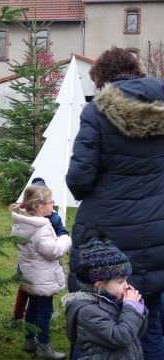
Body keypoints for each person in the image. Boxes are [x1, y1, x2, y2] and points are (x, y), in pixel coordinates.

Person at [66, 47, 164, 359]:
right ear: (136, 71)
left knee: (94, 317)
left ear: (101, 78)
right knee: (152, 322)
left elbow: (79, 179)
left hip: (107, 236)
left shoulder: (96, 112)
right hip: (158, 230)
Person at [63, 227, 147, 359]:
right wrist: (132, 308)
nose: (126, 286)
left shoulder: (114, 299)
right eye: (120, 282)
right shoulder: (87, 311)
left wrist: (139, 307)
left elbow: (137, 331)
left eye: (126, 280)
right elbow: (121, 338)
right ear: (100, 284)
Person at [11, 185, 71, 359]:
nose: (53, 205)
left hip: (30, 275)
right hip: (43, 278)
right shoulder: (41, 228)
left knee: (32, 307)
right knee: (45, 311)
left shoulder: (22, 223)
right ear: (39, 205)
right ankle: (44, 345)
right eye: (51, 202)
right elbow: (53, 251)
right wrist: (65, 239)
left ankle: (30, 340)